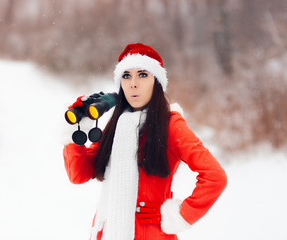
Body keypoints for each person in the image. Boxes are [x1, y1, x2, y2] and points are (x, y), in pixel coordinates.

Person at [63, 43, 227, 240]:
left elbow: (215, 177)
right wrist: (76, 131)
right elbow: (79, 174)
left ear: (156, 82)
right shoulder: (116, 125)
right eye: (126, 75)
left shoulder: (170, 125)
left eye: (142, 75)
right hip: (107, 233)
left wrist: (176, 215)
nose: (133, 83)